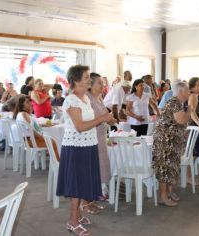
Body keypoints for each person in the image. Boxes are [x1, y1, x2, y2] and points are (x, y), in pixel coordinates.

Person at [56, 65, 115, 235]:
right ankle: (72, 222)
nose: (90, 80)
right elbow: (80, 126)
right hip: (76, 147)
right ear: (75, 80)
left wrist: (102, 119)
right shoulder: (71, 100)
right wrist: (102, 118)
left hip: (88, 145)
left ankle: (78, 215)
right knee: (76, 185)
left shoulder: (86, 99)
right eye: (86, 77)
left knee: (82, 182)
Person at [152, 81, 193, 207]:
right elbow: (181, 120)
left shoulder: (177, 102)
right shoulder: (174, 102)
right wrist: (189, 111)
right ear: (181, 91)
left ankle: (169, 192)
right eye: (187, 91)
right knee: (165, 169)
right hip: (166, 142)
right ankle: (163, 197)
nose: (189, 93)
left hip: (171, 141)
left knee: (171, 168)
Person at [84, 72, 116, 213]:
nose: (103, 85)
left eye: (102, 83)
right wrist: (106, 118)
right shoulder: (87, 99)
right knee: (91, 169)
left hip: (101, 136)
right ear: (90, 84)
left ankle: (94, 198)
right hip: (91, 137)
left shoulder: (99, 98)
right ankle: (86, 202)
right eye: (99, 83)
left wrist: (110, 119)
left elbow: (104, 115)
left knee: (99, 168)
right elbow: (91, 118)